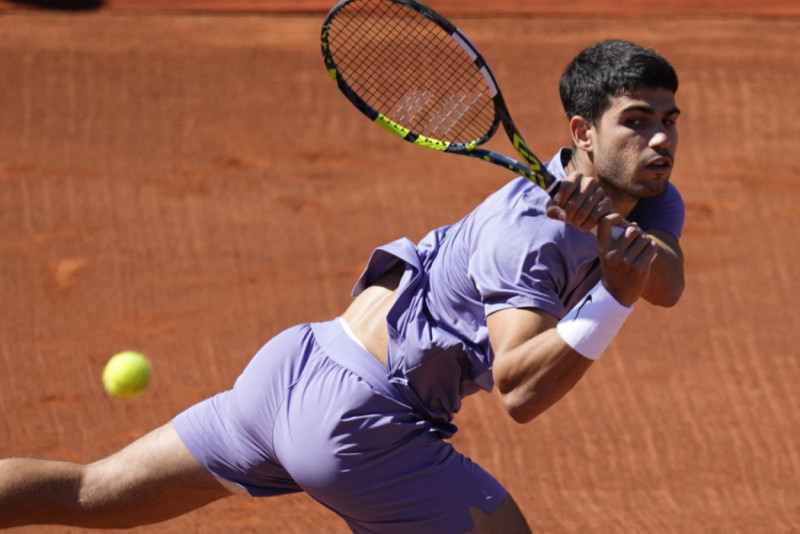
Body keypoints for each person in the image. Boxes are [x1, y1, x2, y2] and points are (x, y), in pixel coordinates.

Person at [0, 38, 684, 533]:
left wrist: (620, 242)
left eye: (667, 121)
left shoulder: (651, 196)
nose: (659, 141)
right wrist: (612, 296)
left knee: (90, 490)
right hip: (360, 425)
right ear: (581, 133)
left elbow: (669, 280)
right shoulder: (529, 237)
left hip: (291, 369)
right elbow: (520, 391)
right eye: (636, 121)